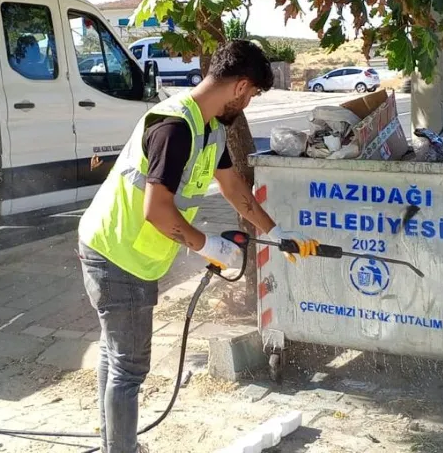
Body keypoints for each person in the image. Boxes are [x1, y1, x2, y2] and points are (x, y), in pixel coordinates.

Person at [77, 39, 318, 453]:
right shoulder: (175, 127)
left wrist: (275, 233)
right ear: (241, 87)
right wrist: (209, 246)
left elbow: (233, 188)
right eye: (254, 95)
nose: (249, 104)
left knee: (117, 359)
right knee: (130, 368)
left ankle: (113, 444)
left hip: (126, 252)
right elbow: (157, 211)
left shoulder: (209, 128)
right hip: (116, 255)